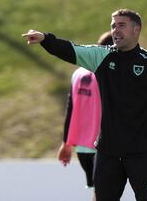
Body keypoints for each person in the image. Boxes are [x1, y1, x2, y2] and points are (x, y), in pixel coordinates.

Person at [22, 9, 147, 201]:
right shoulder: (101, 57)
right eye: (113, 26)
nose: (115, 30)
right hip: (108, 153)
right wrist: (45, 39)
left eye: (121, 25)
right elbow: (71, 49)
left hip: (141, 154)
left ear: (136, 30)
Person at [57, 32, 112, 200]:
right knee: (102, 194)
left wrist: (66, 143)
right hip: (101, 146)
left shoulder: (78, 73)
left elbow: (70, 108)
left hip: (82, 148)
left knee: (97, 191)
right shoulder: (107, 73)